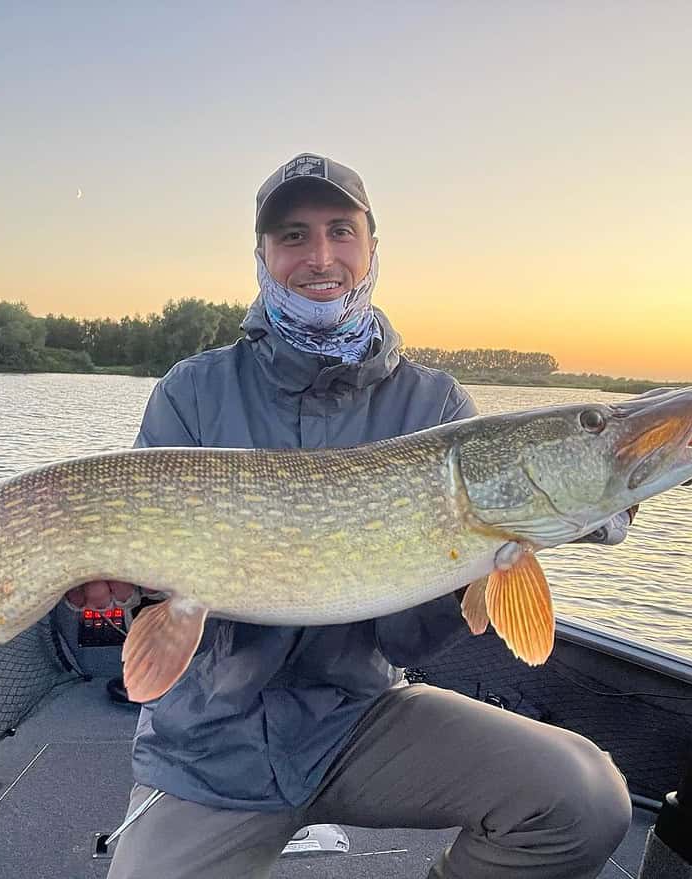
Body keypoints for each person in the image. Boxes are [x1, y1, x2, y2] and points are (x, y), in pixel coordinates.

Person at [65, 153, 634, 879]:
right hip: (211, 742)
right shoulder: (196, 390)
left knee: (582, 797)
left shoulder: (433, 407)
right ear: (264, 257)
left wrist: (476, 558)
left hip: (359, 718)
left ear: (371, 247)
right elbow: (154, 587)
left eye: (341, 230)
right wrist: (124, 587)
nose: (321, 256)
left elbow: (406, 635)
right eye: (293, 236)